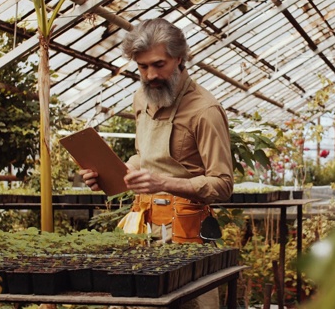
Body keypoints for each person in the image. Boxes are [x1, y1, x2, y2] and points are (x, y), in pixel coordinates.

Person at [80, 18, 234, 307]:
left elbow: (223, 185)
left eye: (158, 64)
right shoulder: (142, 98)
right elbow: (143, 156)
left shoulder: (204, 110)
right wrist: (110, 173)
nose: (150, 75)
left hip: (187, 236)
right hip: (144, 228)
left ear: (179, 58)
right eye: (142, 66)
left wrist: (163, 183)